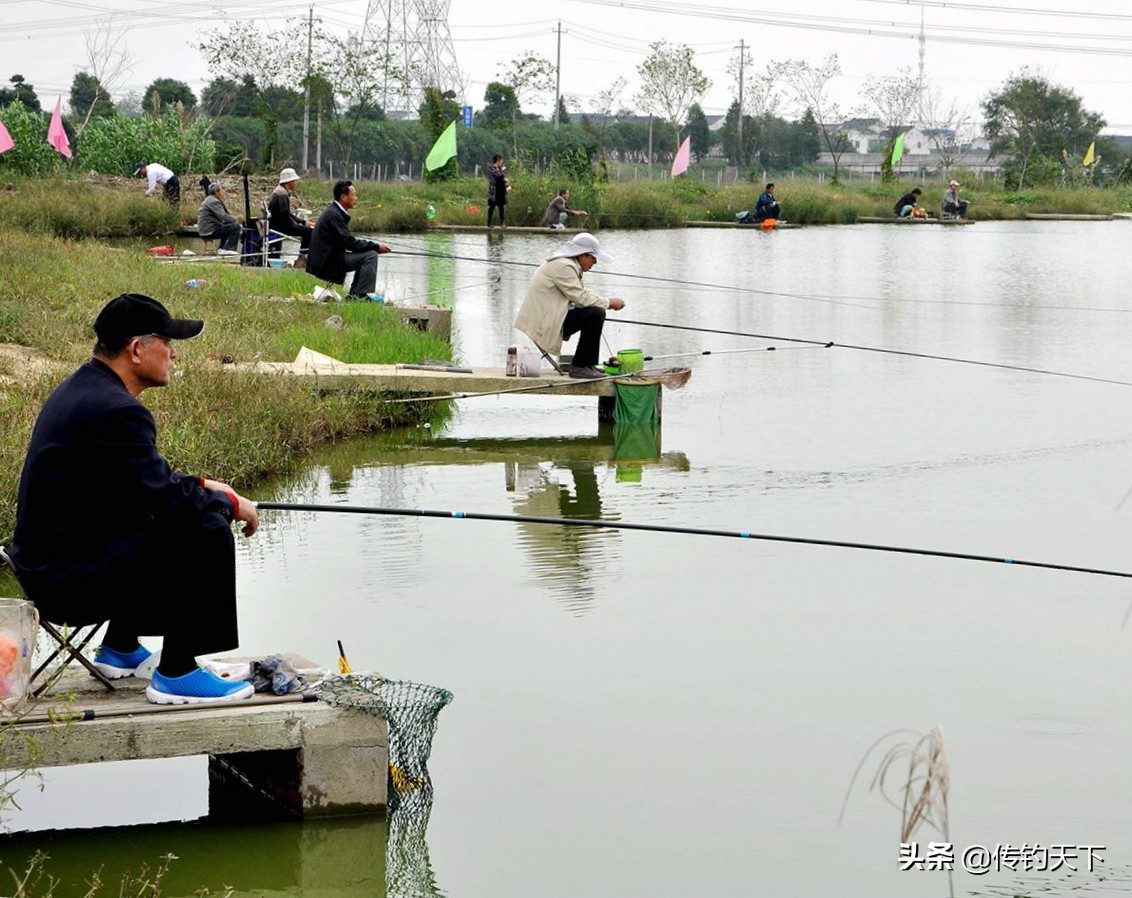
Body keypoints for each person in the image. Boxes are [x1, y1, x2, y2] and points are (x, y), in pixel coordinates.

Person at [8, 293, 259, 705]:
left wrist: (206, 485)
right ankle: (177, 673)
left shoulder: (86, 388)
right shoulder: (117, 410)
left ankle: (120, 648)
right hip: (65, 583)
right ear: (137, 349)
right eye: (167, 341)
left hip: (47, 565)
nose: (174, 353)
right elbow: (167, 500)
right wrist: (229, 505)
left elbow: (140, 482)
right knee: (207, 529)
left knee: (160, 517)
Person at [514, 232, 626, 379]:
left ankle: (587, 365)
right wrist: (609, 302)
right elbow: (581, 298)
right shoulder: (563, 266)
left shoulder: (568, 265)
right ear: (582, 255)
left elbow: (580, 296)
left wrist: (603, 303)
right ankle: (580, 366)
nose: (595, 263)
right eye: (593, 258)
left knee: (595, 312)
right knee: (596, 313)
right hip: (545, 324)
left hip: (550, 319)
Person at [307, 180, 391, 298]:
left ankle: (355, 294)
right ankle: (360, 295)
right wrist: (376, 247)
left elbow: (347, 241)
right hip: (326, 263)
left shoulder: (334, 211)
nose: (356, 198)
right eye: (353, 195)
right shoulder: (334, 215)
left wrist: (369, 246)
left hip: (325, 259)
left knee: (366, 253)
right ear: (343, 197)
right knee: (371, 255)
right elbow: (350, 243)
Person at [268, 167, 313, 254]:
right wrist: (302, 223)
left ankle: (302, 257)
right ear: (289, 182)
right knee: (310, 232)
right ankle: (302, 257)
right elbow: (286, 215)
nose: (296, 183)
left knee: (306, 229)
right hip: (281, 226)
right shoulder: (282, 194)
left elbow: (286, 214)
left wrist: (302, 222)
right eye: (295, 181)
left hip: (278, 223)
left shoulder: (280, 190)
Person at [197, 182, 241, 254]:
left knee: (227, 227)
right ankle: (229, 249)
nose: (222, 192)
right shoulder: (214, 201)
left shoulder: (209, 199)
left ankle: (222, 248)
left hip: (205, 229)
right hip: (209, 230)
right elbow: (223, 217)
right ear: (216, 192)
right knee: (235, 227)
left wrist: (232, 219)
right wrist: (236, 219)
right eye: (221, 190)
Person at [486, 154, 509, 228]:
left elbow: (503, 177)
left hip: (501, 190)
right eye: (501, 160)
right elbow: (497, 175)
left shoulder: (500, 168)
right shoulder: (491, 167)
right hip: (494, 190)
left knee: (501, 207)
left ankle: (502, 223)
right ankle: (489, 223)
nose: (502, 162)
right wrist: (502, 170)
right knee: (492, 206)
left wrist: (507, 185)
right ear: (498, 160)